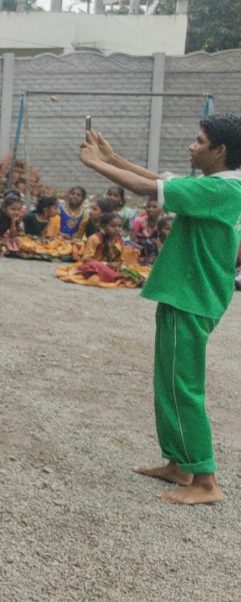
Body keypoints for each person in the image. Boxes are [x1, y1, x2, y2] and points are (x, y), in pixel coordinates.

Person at [80, 119, 241, 505]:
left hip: (192, 296)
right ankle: (179, 464)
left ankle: (205, 481)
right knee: (168, 383)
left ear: (219, 151)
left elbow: (145, 188)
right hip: (187, 294)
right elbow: (157, 179)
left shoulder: (221, 187)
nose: (191, 146)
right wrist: (113, 157)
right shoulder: (218, 185)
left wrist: (94, 164)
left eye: (199, 142)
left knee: (182, 386)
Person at [54, 212, 146, 289]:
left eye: (119, 226)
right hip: (94, 266)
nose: (117, 229)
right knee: (100, 271)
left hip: (111, 267)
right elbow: (86, 260)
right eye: (113, 226)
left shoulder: (118, 240)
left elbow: (119, 259)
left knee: (135, 272)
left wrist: (122, 267)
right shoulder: (95, 238)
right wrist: (106, 264)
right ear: (103, 227)